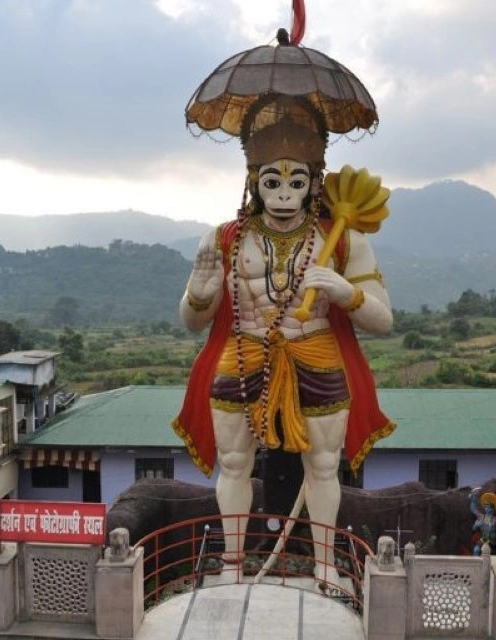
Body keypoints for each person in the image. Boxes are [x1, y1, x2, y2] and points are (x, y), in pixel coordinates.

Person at [173, 96, 394, 588]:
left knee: (324, 465)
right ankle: (232, 565)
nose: (284, 194)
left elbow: (383, 321)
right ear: (254, 181)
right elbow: (192, 320)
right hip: (243, 351)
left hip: (316, 351)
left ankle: (324, 565)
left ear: (315, 183)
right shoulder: (224, 238)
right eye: (273, 182)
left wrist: (346, 293)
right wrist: (199, 293)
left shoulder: (344, 241)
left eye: (297, 182)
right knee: (234, 462)